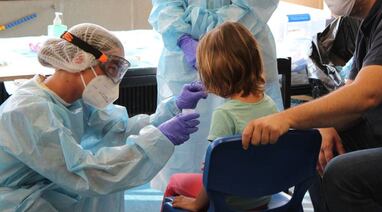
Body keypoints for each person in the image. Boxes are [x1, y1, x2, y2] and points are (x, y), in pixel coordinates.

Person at [0, 23, 207, 212]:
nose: (113, 80)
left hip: (44, 185)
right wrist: (160, 138)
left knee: (110, 185)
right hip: (13, 198)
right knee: (103, 179)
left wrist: (172, 109)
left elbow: (119, 129)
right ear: (79, 59)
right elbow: (86, 173)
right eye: (111, 68)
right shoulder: (28, 111)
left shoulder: (76, 99)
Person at [241, 0, 382, 211]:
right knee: (316, 150)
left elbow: (366, 94)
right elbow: (349, 97)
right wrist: (326, 125)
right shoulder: (370, 25)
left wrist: (286, 118)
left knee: (342, 174)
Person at [148, 0, 284, 191]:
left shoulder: (223, 114)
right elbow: (165, 6)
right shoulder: (267, 105)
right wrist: (182, 37)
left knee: (188, 176)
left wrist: (206, 34)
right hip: (257, 195)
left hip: (243, 34)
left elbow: (254, 7)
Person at [162, 22, 279, 211]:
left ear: (213, 76)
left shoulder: (224, 115)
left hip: (232, 202)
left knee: (175, 181)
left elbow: (214, 174)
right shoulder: (269, 104)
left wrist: (197, 204)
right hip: (262, 197)